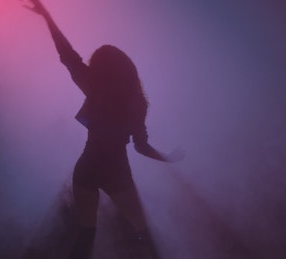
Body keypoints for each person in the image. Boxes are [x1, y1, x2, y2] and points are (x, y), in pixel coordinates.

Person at [23, 1, 183, 258]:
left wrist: (47, 17)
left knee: (86, 233)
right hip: (116, 171)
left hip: (87, 167)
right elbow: (141, 147)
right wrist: (167, 158)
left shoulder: (94, 88)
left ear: (99, 68)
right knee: (141, 231)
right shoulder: (136, 102)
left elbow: (67, 54)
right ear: (128, 69)